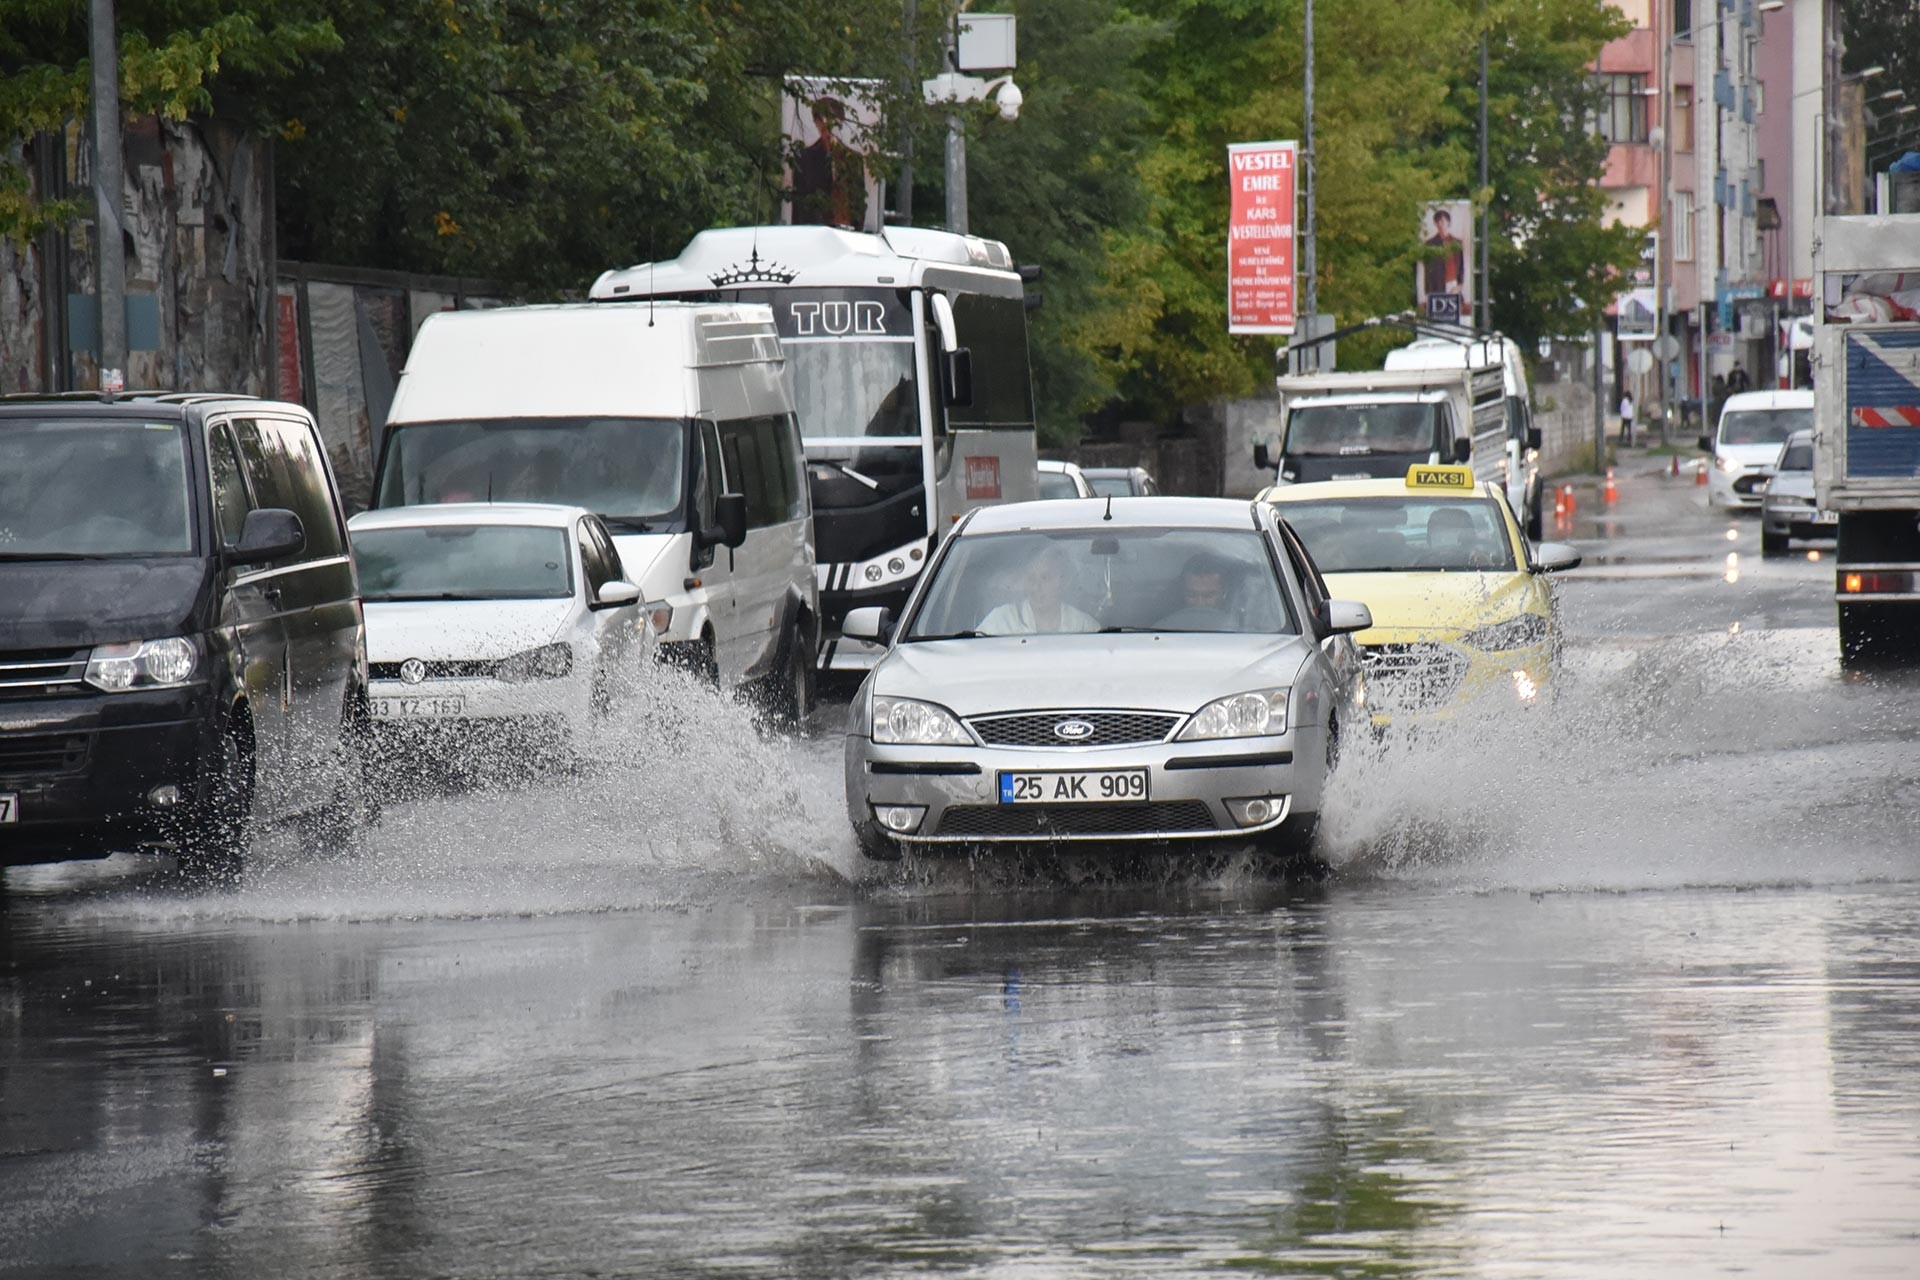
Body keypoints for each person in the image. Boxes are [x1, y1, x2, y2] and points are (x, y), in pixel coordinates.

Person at [977, 545, 1098, 635]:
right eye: (1031, 578)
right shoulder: (1001, 620)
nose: (1036, 587)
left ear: (1064, 582)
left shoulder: (1084, 626)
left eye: (1045, 578)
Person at [1156, 554, 1238, 631]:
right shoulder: (1162, 629)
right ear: (1182, 592)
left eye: (1208, 596)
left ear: (1225, 593)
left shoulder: (1244, 629)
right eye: (1191, 595)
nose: (1200, 603)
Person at [1420, 208, 1466, 303]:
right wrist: (1428, 291)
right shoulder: (1430, 244)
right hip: (1437, 284)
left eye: (1442, 220)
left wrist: (1460, 285)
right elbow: (1427, 268)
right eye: (1438, 221)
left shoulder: (1456, 242)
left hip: (1453, 284)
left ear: (1448, 222)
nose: (1440, 224)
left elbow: (1461, 265)